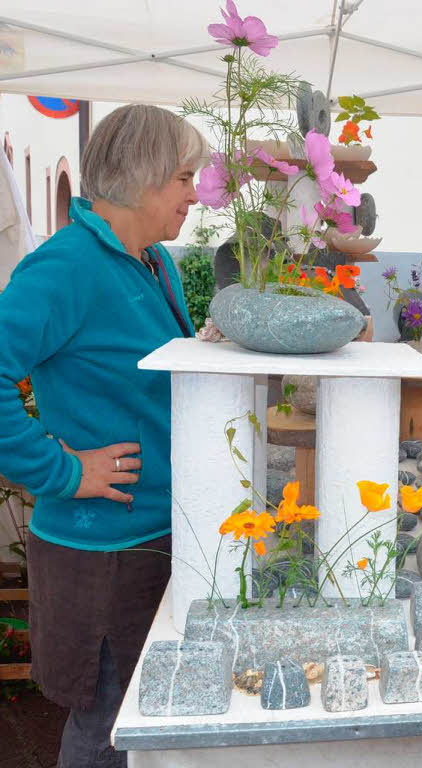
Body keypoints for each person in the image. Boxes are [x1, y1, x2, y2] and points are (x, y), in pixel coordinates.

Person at [0, 104, 203, 767]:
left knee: (143, 721)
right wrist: (63, 471)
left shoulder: (154, 262)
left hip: (152, 531)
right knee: (108, 729)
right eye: (183, 177)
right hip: (103, 548)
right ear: (142, 179)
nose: (193, 194)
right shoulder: (68, 266)